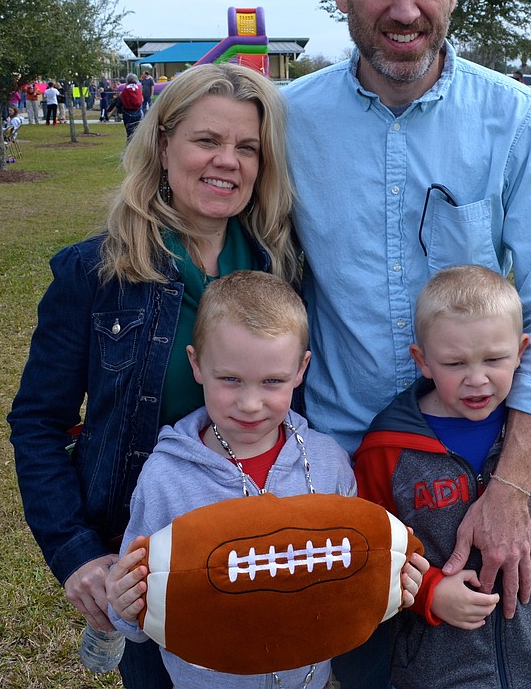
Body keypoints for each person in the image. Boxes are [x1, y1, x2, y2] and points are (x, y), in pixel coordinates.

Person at [283, 0, 531, 686]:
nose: (404, 8)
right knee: (361, 673)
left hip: (474, 479)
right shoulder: (285, 122)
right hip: (345, 477)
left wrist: (511, 488)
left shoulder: (516, 120)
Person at [8, 63, 298, 688]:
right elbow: (37, 423)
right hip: (149, 568)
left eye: (247, 147)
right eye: (206, 141)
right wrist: (75, 552)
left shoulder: (285, 266)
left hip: (271, 552)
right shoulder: (96, 272)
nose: (228, 161)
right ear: (164, 145)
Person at [106, 271, 353, 687]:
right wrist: (123, 605)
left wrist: (391, 573)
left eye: (272, 381)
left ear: (300, 369)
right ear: (197, 364)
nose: (250, 403)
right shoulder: (166, 476)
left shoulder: (328, 463)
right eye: (230, 380)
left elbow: (349, 571)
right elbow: (136, 610)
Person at [354, 265, 531, 689]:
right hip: (436, 668)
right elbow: (373, 544)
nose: (476, 379)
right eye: (455, 363)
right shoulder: (386, 449)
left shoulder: (524, 433)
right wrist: (431, 593)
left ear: (521, 351)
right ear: (422, 361)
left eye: (494, 359)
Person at [119, 72, 144, 138]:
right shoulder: (138, 89)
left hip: (128, 113)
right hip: (137, 112)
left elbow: (122, 100)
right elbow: (141, 100)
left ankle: (130, 146)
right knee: (136, 131)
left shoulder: (126, 90)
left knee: (130, 133)